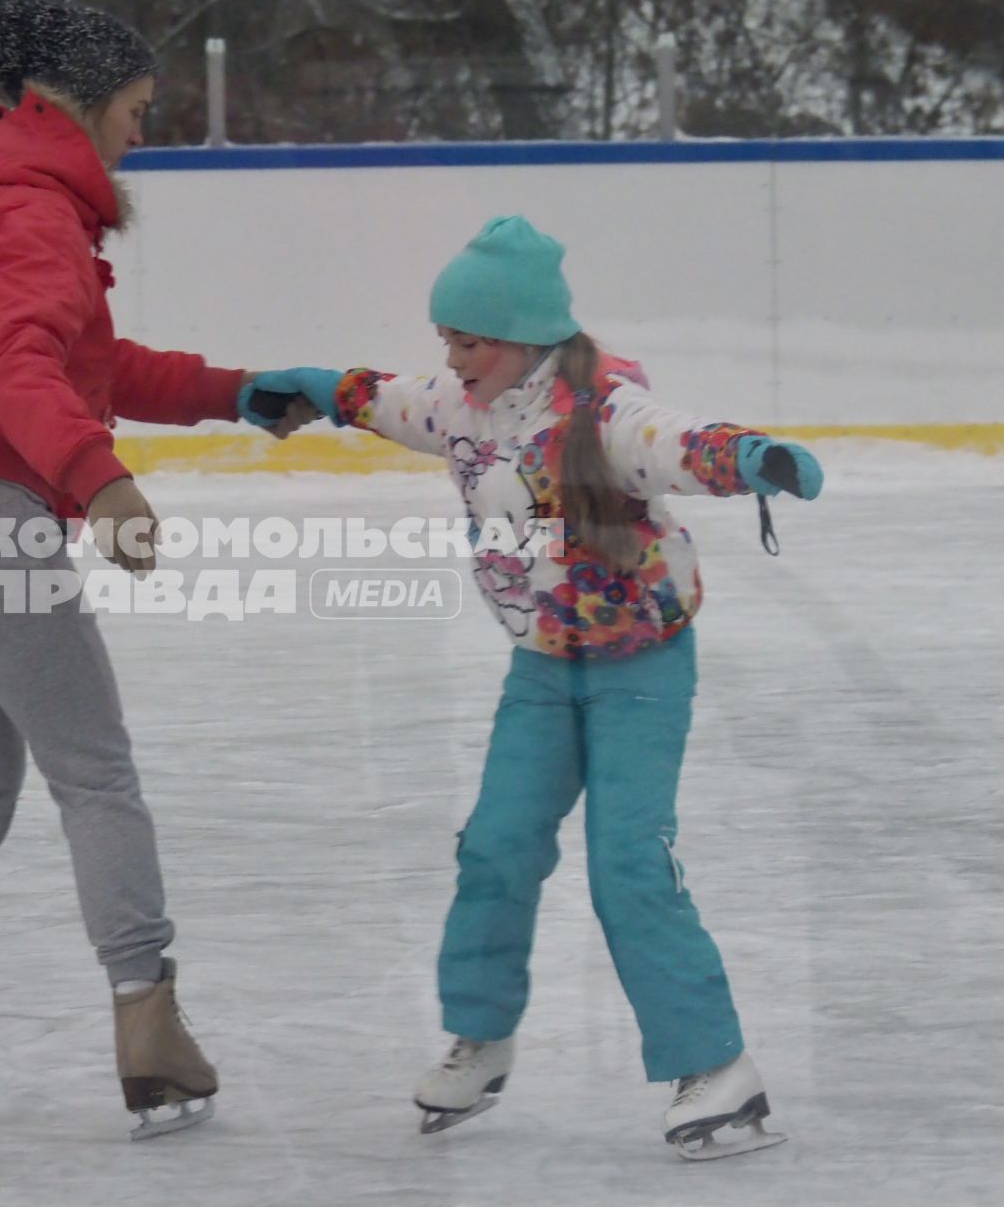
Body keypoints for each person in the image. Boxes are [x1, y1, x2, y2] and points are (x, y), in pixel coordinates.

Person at [0, 0, 308, 1138]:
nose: (142, 135)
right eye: (139, 112)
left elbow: (94, 362)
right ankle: (147, 1016)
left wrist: (236, 389)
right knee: (93, 769)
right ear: (86, 104)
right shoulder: (41, 210)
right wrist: (101, 483)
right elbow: (24, 377)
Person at [242, 215, 822, 1158]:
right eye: (447, 341)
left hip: (640, 663)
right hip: (542, 666)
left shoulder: (605, 414)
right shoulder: (457, 406)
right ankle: (482, 1038)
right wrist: (308, 389)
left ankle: (715, 1069)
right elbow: (381, 399)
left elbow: (681, 443)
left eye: (468, 341)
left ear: (523, 339)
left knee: (626, 862)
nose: (452, 357)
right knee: (495, 846)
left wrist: (753, 458)